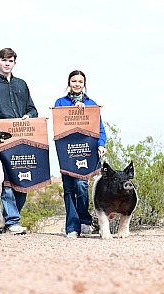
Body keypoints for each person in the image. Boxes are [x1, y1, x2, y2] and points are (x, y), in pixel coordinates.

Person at [0, 47, 37, 235]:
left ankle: (8, 218)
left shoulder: (22, 84)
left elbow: (33, 109)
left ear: (14, 63)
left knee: (23, 181)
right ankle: (13, 222)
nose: (7, 63)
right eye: (3, 60)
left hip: (22, 138)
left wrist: (28, 115)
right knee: (6, 181)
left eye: (10, 61)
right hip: (0, 139)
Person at [54, 70, 107, 238]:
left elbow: (100, 129)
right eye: (74, 81)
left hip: (85, 151)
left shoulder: (92, 104)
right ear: (69, 83)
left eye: (80, 81)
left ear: (84, 84)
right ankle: (72, 227)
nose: (77, 84)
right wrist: (74, 111)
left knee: (81, 185)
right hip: (66, 151)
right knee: (69, 188)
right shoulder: (60, 102)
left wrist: (101, 145)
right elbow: (58, 125)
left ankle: (84, 220)